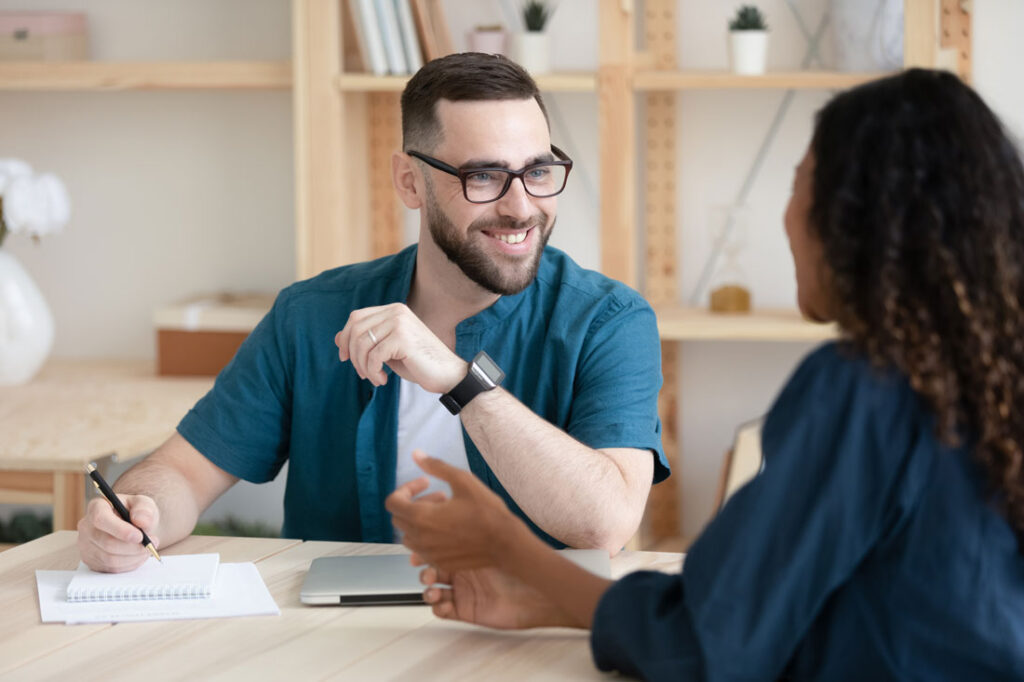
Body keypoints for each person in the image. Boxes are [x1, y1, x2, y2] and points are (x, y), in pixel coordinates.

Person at [386, 68, 1024, 680]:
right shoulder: (991, 380)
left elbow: (710, 647)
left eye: (800, 184)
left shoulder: (864, 391)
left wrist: (507, 548)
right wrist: (554, 601)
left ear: (856, 222)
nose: (788, 217)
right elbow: (815, 622)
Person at [77, 53, 668, 573]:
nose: (521, 207)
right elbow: (182, 473)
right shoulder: (310, 316)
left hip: (527, 645)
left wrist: (459, 380)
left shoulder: (608, 320)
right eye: (483, 176)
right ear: (410, 182)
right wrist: (137, 512)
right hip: (339, 648)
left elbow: (605, 523)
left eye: (538, 172)